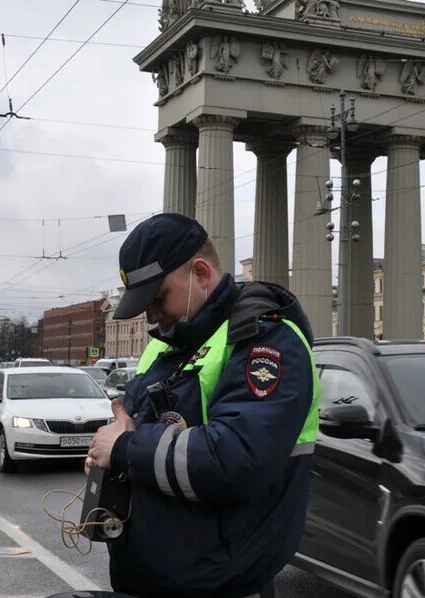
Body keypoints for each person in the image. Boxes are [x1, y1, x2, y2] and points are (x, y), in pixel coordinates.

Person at [86, 213, 320, 598]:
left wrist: (126, 449)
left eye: (158, 298)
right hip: (149, 579)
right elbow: (134, 428)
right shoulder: (166, 343)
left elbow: (237, 459)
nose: (152, 316)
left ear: (200, 273)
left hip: (221, 584)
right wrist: (106, 457)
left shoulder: (265, 340)